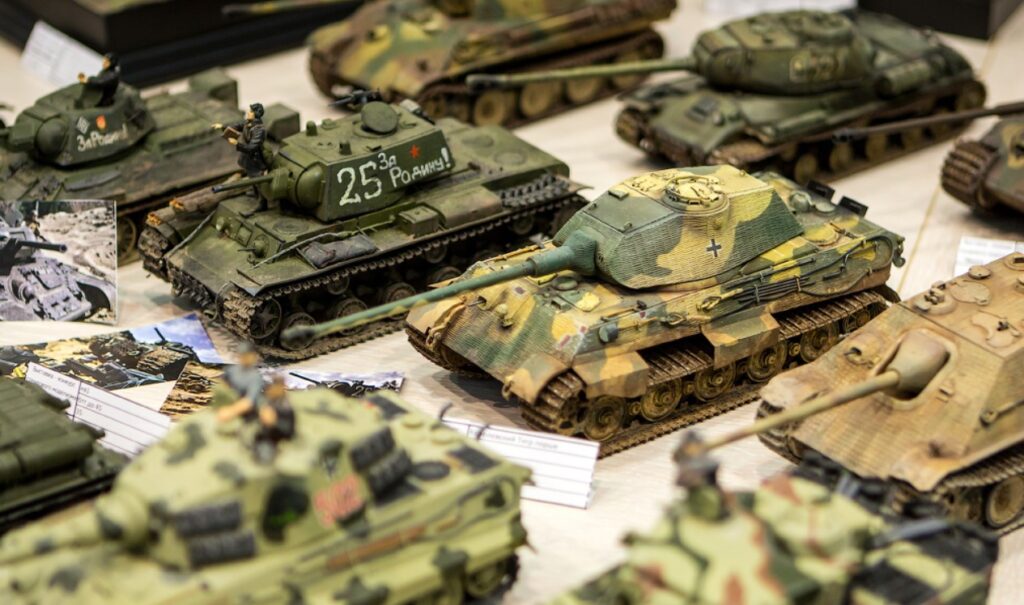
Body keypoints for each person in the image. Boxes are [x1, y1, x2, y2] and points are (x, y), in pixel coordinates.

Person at [215, 343, 266, 423]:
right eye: (243, 355)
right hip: (229, 406)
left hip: (246, 416)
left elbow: (249, 401)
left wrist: (230, 411)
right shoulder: (232, 370)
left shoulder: (255, 377)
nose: (245, 358)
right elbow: (222, 385)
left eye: (247, 355)